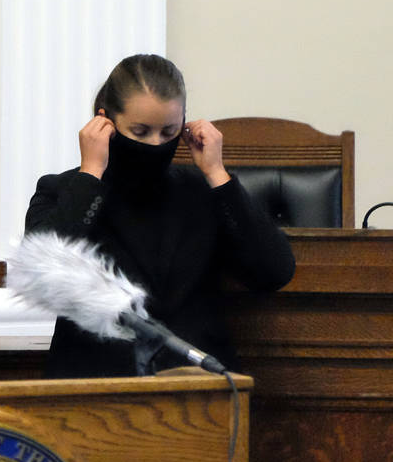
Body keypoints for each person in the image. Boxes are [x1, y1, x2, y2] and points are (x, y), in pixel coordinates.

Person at [25, 54, 295, 380]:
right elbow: (42, 275)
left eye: (168, 132)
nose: (155, 144)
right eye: (140, 131)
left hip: (196, 381)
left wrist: (217, 173)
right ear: (105, 122)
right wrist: (91, 173)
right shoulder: (65, 189)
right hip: (95, 381)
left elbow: (273, 271)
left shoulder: (203, 190)